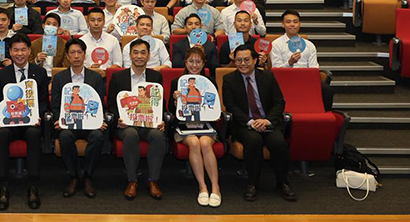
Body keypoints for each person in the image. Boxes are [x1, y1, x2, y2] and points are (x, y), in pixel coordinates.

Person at [223, 45, 296, 202]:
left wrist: (267, 120)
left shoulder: (268, 77)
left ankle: (283, 182)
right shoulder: (229, 80)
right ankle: (252, 183)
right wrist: (250, 122)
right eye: (239, 60)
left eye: (246, 60)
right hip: (244, 124)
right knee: (254, 141)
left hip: (267, 121)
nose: (243, 63)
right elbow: (230, 106)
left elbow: (279, 102)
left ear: (255, 60)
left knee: (278, 143)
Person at [0, 34, 49, 210]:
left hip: (30, 122)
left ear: (30, 51)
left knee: (33, 134)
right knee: (1, 134)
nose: (20, 54)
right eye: (15, 50)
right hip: (9, 122)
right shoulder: (1, 75)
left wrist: (38, 116)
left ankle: (33, 185)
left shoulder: (40, 73)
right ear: (9, 51)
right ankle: (3, 186)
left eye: (23, 49)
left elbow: (43, 102)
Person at [108, 39, 166, 200]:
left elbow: (161, 104)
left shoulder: (156, 77)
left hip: (149, 124)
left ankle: (153, 180)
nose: (139, 56)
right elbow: (111, 104)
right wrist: (118, 119)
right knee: (130, 134)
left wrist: (161, 120)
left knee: (158, 135)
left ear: (148, 56)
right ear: (130, 55)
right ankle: (132, 181)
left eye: (143, 53)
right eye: (135, 52)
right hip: (126, 125)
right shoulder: (118, 77)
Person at [51, 39, 107, 198]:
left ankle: (88, 176)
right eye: (72, 53)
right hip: (69, 124)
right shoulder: (59, 78)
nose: (76, 56)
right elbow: (55, 106)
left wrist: (100, 120)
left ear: (84, 55)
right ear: (67, 56)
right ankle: (74, 176)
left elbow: (99, 104)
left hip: (89, 123)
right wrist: (59, 120)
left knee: (97, 136)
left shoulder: (95, 77)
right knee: (65, 136)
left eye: (79, 52)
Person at [169, 46, 221, 206]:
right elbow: (170, 110)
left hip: (206, 125)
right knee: (193, 142)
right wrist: (175, 101)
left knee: (204, 143)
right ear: (185, 62)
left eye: (198, 62)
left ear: (204, 63)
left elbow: (215, 106)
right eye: (191, 61)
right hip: (184, 126)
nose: (194, 65)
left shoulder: (210, 82)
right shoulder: (177, 82)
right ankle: (202, 186)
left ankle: (215, 187)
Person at [270, 9, 333, 111]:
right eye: (288, 22)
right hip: (285, 79)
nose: (292, 25)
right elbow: (276, 69)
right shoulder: (276, 44)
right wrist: (289, 63)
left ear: (300, 24)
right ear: (283, 25)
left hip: (306, 80)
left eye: (295, 22)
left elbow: (314, 67)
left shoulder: (309, 45)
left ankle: (322, 115)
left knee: (327, 90)